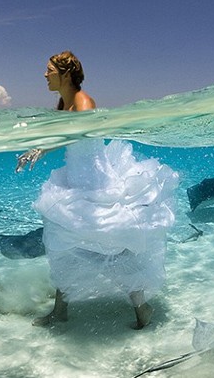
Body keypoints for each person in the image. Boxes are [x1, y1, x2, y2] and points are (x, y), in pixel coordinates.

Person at [16, 51, 178, 329]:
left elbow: (77, 135)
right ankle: (60, 310)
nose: (45, 74)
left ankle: (142, 308)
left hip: (95, 184)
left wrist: (43, 148)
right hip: (74, 182)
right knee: (61, 245)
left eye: (49, 69)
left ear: (65, 73)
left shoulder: (84, 101)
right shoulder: (63, 104)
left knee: (113, 246)